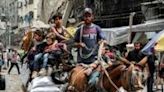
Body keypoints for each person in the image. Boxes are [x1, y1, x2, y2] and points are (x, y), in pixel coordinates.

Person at [74, 8, 106, 86]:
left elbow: (104, 39)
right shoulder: (79, 30)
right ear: (83, 17)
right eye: (85, 16)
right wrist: (79, 44)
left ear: (92, 17)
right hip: (82, 60)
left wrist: (102, 44)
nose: (87, 18)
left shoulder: (97, 28)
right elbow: (74, 43)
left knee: (95, 81)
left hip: (94, 60)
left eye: (89, 16)